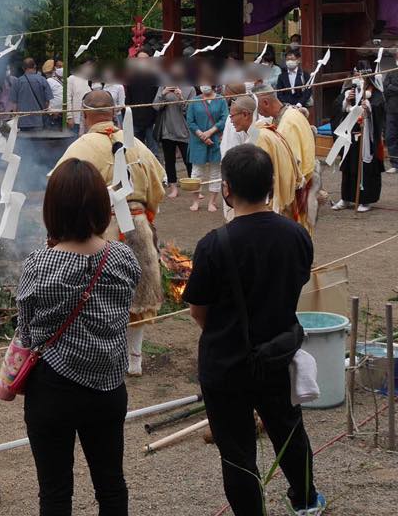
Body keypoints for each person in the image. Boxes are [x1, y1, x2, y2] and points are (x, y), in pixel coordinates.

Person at [183, 144, 324, 516]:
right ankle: (306, 500)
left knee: (236, 449)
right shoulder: (296, 235)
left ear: (227, 188)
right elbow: (296, 283)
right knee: (289, 430)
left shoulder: (214, 244)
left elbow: (199, 310)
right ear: (271, 184)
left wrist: (224, 331)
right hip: (278, 353)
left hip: (226, 361)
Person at [16, 158, 140, 516]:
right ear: (102, 207)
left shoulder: (39, 264)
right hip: (108, 387)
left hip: (52, 389)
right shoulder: (122, 257)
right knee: (111, 486)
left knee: (55, 492)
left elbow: (26, 332)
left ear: (52, 210)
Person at [53, 90, 166, 376]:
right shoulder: (137, 145)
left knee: (100, 296)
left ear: (84, 113)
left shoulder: (82, 146)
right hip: (137, 225)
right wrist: (146, 215)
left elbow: (60, 187)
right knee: (135, 294)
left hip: (99, 231)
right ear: (114, 113)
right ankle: (134, 359)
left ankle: (110, 356)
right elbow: (158, 186)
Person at [256, 84, 320, 234]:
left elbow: (289, 165)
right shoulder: (292, 113)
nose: (257, 111)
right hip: (305, 181)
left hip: (297, 188)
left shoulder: (287, 124)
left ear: (265, 102)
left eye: (257, 106)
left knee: (294, 235)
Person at [227, 95, 298, 219]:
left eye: (232, 116)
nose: (231, 121)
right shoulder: (260, 132)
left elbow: (261, 175)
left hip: (275, 202)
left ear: (245, 114)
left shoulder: (260, 137)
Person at [330, 67, 385, 213]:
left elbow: (380, 108)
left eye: (361, 76)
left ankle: (366, 199)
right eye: (355, 75)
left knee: (366, 166)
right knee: (348, 165)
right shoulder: (349, 92)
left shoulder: (375, 94)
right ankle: (346, 197)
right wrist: (346, 104)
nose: (358, 78)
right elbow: (336, 109)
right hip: (349, 135)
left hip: (366, 135)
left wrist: (370, 108)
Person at [186, 78, 227, 213]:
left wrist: (210, 132)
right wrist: (202, 135)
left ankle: (212, 202)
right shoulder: (194, 100)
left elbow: (224, 118)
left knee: (215, 172)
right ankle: (195, 201)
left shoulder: (221, 100)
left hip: (216, 139)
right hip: (197, 141)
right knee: (196, 173)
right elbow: (190, 121)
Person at [153, 69, 193, 198]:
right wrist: (163, 94)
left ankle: (193, 186)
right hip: (167, 130)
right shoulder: (163, 87)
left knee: (189, 160)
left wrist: (181, 97)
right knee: (169, 160)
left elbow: (191, 111)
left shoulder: (190, 88)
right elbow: (155, 106)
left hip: (184, 130)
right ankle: (173, 188)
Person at [124, 55, 160, 147]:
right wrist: (127, 116)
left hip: (151, 119)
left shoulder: (155, 78)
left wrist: (157, 118)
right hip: (135, 118)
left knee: (153, 151)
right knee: (135, 149)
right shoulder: (131, 78)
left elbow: (158, 98)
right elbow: (128, 99)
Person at [9, 58, 53, 132]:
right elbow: (47, 102)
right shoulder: (42, 80)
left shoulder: (18, 82)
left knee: (26, 143)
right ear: (35, 66)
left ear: (23, 68)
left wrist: (15, 118)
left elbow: (14, 105)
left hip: (23, 122)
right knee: (38, 142)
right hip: (39, 121)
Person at [66, 61, 94, 133]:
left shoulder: (91, 80)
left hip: (89, 120)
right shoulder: (72, 78)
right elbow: (67, 97)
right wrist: (69, 117)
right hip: (76, 120)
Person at [42, 59, 64, 128]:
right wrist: (51, 111)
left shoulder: (63, 81)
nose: (62, 68)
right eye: (59, 66)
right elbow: (45, 99)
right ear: (54, 69)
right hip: (53, 115)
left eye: (63, 66)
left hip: (62, 114)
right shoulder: (49, 81)